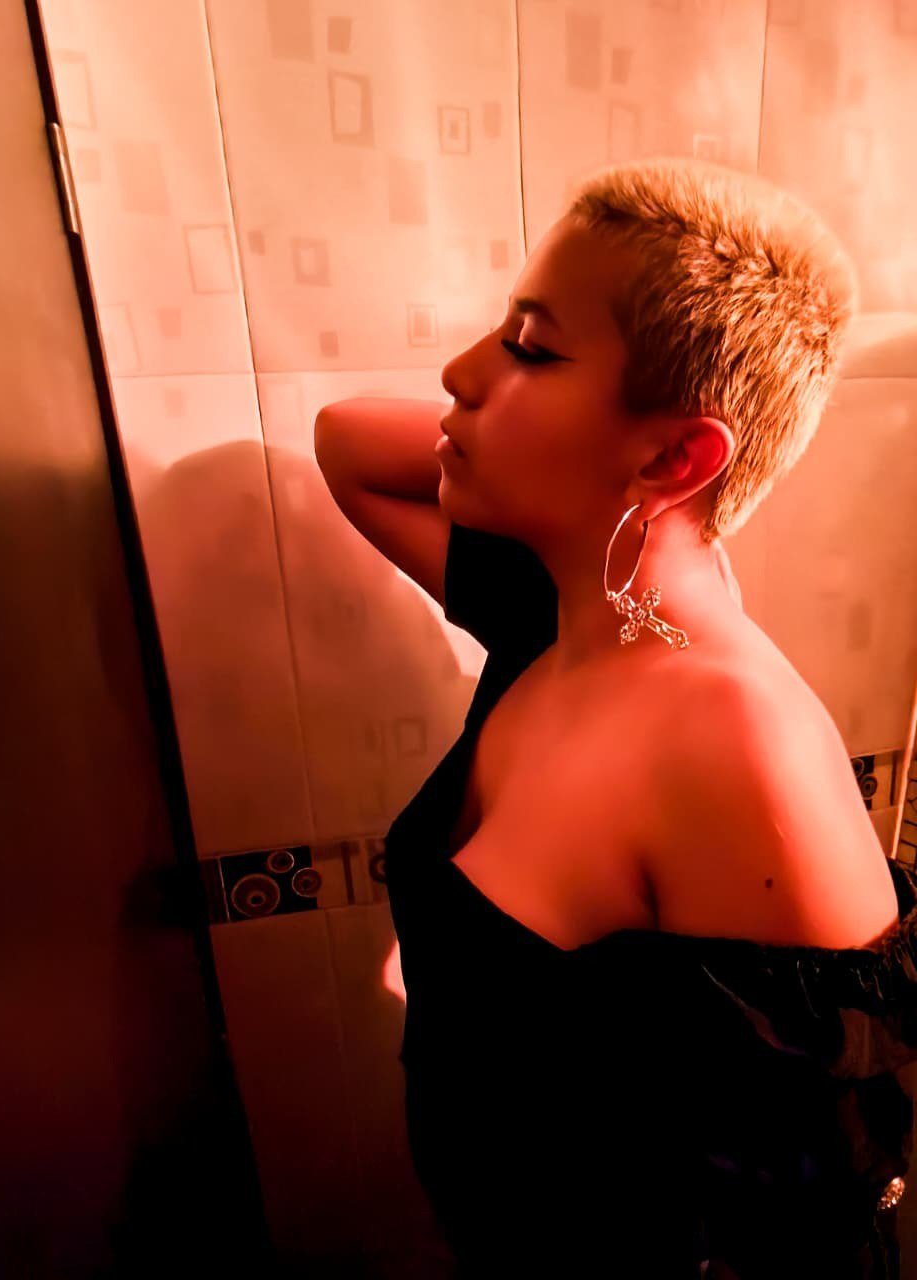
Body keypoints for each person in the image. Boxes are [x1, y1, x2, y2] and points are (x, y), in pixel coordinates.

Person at [379, 158, 917, 1277]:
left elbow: (811, 1236)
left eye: (530, 348)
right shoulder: (559, 614)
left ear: (675, 453)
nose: (459, 372)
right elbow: (345, 444)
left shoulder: (739, 745)